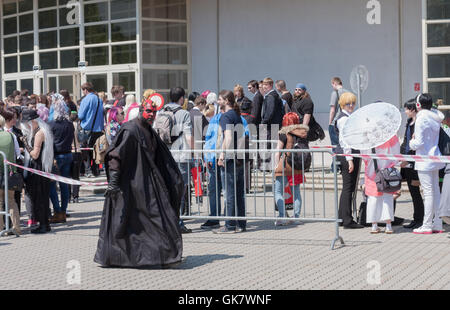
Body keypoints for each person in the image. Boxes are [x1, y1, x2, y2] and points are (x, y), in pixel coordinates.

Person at [94, 95, 184, 268]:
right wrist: (113, 182)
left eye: (154, 112)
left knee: (158, 218)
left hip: (147, 183)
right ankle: (122, 257)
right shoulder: (130, 129)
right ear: (141, 111)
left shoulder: (149, 130)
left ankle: (163, 255)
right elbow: (115, 155)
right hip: (130, 184)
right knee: (128, 222)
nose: (151, 115)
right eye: (149, 111)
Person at [409, 93, 446, 234]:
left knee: (429, 193)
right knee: (435, 192)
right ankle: (437, 223)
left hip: (424, 159)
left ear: (418, 105)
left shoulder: (421, 119)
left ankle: (427, 224)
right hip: (435, 157)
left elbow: (418, 143)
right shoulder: (434, 117)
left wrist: (411, 142)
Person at [214, 90, 247, 234]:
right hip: (239, 157)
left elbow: (227, 138)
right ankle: (241, 223)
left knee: (229, 192)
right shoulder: (236, 115)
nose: (217, 102)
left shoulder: (226, 116)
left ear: (226, 101)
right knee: (239, 193)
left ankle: (230, 225)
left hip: (230, 158)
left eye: (220, 99)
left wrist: (222, 154)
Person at [165, 87, 193, 234]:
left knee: (167, 189)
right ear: (182, 99)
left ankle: (167, 221)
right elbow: (188, 136)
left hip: (165, 157)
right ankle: (178, 222)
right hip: (181, 156)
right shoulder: (184, 113)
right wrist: (194, 152)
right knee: (180, 190)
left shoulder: (161, 112)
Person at [21, 109, 54, 234]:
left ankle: (44, 224)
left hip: (38, 169)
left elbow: (35, 154)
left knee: (40, 197)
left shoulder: (39, 133)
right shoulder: (38, 131)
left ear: (33, 121)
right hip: (39, 168)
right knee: (40, 197)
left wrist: (25, 144)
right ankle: (44, 223)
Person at [335, 92, 364, 229]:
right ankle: (346, 219)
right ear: (342, 104)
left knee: (348, 187)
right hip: (348, 154)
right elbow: (345, 140)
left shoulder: (348, 117)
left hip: (350, 154)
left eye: (353, 103)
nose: (351, 105)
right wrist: (350, 159)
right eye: (348, 103)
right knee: (348, 187)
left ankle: (342, 217)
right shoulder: (344, 119)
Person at [274, 112, 308, 226]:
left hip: (284, 166)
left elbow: (278, 151)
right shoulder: (302, 133)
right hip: (297, 166)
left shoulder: (284, 134)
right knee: (296, 193)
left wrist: (275, 165)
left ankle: (282, 216)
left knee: (278, 191)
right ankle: (296, 217)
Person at [362, 135, 400, 234]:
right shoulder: (390, 136)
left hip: (371, 173)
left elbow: (364, 157)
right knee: (387, 198)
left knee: (372, 199)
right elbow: (396, 157)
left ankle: (374, 226)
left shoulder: (366, 137)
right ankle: (388, 226)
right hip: (387, 172)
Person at [48, 99, 74, 224]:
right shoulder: (70, 124)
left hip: (56, 157)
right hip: (68, 154)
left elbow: (49, 143)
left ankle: (57, 211)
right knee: (64, 185)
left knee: (52, 185)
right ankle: (63, 211)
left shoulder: (51, 124)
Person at [400, 99, 424, 229]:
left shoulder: (419, 123)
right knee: (412, 191)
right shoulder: (409, 123)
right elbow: (405, 141)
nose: (405, 112)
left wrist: (407, 159)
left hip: (415, 162)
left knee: (417, 192)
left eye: (407, 109)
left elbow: (416, 145)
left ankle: (420, 219)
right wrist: (400, 155)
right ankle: (417, 218)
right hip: (407, 161)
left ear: (413, 109)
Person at [0, 115, 21, 236]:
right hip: (10, 172)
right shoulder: (11, 135)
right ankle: (16, 227)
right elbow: (18, 154)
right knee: (11, 201)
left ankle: (0, 227)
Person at [78, 82, 104, 178]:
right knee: (96, 150)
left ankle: (88, 170)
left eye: (83, 90)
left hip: (87, 129)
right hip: (98, 129)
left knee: (86, 151)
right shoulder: (99, 99)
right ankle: (96, 170)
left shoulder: (86, 100)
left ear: (85, 90)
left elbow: (80, 115)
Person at [260, 77, 284, 170]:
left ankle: (271, 166)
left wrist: (264, 122)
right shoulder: (274, 95)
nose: (263, 87)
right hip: (275, 125)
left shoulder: (271, 96)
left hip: (272, 125)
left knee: (271, 145)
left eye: (266, 85)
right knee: (273, 145)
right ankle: (273, 165)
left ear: (270, 85)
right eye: (263, 85)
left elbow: (270, 112)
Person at [329, 78, 349, 147]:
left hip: (335, 122)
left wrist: (330, 123)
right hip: (345, 121)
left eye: (332, 85)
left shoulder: (335, 93)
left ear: (334, 83)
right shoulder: (348, 93)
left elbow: (332, 110)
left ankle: (337, 158)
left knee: (335, 146)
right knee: (344, 145)